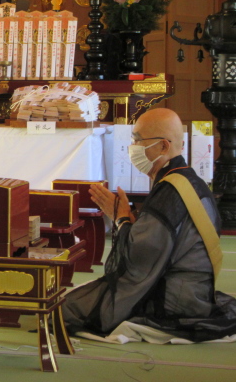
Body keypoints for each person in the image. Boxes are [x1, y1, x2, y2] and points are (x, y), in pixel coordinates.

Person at [62, 108, 236, 341]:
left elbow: (141, 257)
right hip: (196, 291)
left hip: (175, 300)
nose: (132, 147)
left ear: (163, 146)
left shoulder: (171, 191)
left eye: (138, 140)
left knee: (68, 309)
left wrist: (122, 219)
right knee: (79, 298)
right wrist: (129, 220)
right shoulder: (188, 179)